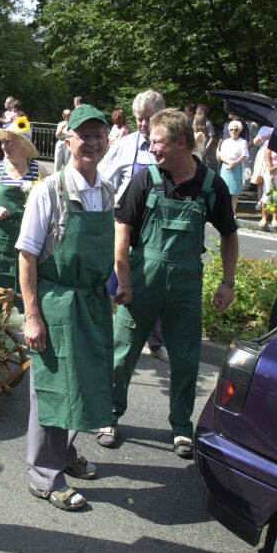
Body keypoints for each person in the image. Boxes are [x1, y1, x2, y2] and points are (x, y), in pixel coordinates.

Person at [105, 108, 238, 458]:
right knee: (122, 353)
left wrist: (228, 282)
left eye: (157, 142)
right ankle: (109, 415)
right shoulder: (145, 180)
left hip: (185, 286)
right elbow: (122, 229)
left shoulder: (211, 185)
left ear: (182, 143)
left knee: (186, 358)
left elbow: (228, 234)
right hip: (141, 281)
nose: (151, 148)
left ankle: (181, 427)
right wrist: (123, 278)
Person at [17, 104, 116, 511]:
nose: (92, 143)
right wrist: (33, 315)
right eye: (84, 135)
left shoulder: (107, 191)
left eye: (99, 135)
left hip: (91, 302)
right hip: (56, 302)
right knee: (53, 389)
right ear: (68, 139)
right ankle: (44, 475)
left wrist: (113, 289)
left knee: (85, 382)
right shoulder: (49, 191)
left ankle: (66, 453)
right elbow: (26, 255)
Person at [99, 89, 169, 369]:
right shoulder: (124, 146)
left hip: (156, 232)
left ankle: (156, 343)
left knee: (153, 288)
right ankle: (102, 339)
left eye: (148, 118)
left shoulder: (168, 148)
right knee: (110, 286)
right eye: (139, 118)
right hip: (123, 229)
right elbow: (102, 180)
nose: (142, 124)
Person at [0, 120, 46, 305]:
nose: (3, 146)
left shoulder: (38, 171)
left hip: (28, 245)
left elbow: (51, 206)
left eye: (8, 142)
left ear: (23, 144)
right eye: (2, 142)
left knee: (26, 294)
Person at [217, 120, 248, 214]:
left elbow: (244, 155)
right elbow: (221, 155)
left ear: (239, 130)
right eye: (231, 130)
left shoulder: (243, 142)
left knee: (235, 191)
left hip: (237, 166)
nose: (233, 132)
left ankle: (233, 211)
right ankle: (224, 211)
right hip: (226, 167)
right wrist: (229, 163)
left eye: (235, 129)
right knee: (224, 190)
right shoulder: (225, 142)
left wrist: (234, 163)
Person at [259, 143, 277, 229]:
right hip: (269, 171)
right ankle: (264, 217)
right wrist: (271, 171)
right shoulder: (269, 143)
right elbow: (267, 157)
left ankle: (274, 218)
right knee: (267, 195)